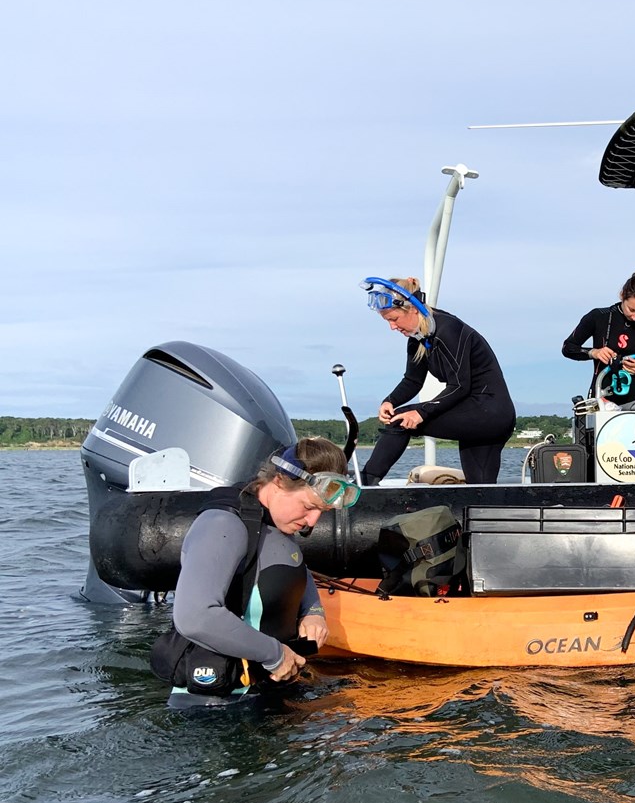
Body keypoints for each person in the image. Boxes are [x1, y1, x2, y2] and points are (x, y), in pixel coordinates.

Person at [165, 437, 358, 707]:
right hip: (217, 707)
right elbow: (195, 616)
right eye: (309, 507)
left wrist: (313, 612)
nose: (311, 522)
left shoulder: (275, 523)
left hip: (271, 689)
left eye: (321, 512)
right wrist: (275, 654)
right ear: (279, 482)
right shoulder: (223, 525)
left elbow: (292, 569)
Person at [359, 276, 516, 485]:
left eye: (393, 319)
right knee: (480, 489)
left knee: (400, 420)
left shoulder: (448, 329)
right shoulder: (418, 338)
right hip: (476, 414)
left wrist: (421, 412)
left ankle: (364, 485)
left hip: (490, 412)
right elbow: (412, 381)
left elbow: (460, 385)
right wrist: (390, 401)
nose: (392, 327)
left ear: (412, 308)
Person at [561, 269, 635, 405]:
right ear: (622, 296)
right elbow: (568, 348)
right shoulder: (598, 317)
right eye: (631, 310)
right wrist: (594, 352)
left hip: (634, 400)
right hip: (600, 397)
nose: (634, 317)